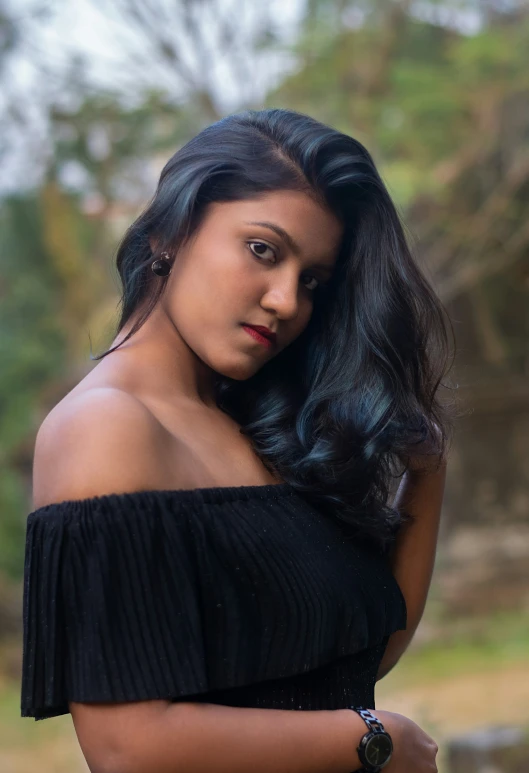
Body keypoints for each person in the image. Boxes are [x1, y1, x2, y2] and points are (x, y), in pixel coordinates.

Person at [21, 108, 453, 773]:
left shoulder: (256, 420)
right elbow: (128, 746)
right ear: (171, 230)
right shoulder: (106, 427)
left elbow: (355, 652)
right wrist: (374, 737)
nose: (286, 300)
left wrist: (425, 473)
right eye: (263, 250)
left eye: (311, 280)